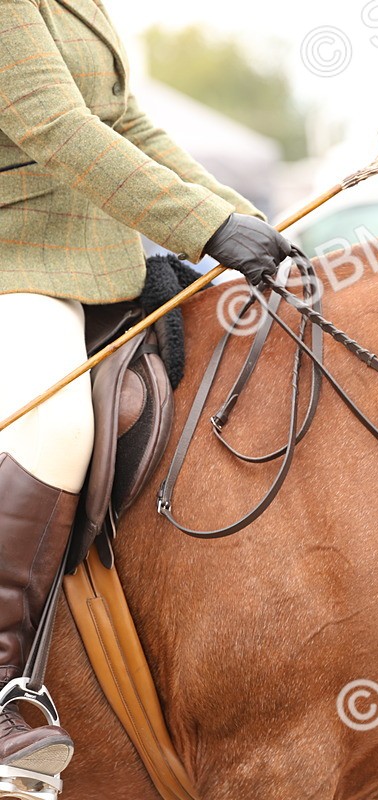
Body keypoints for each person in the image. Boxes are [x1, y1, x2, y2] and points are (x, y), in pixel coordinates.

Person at [0, 0, 297, 785]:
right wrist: (204, 226)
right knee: (54, 424)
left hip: (100, 264)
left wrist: (235, 217)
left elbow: (126, 120)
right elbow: (57, 129)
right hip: (15, 262)